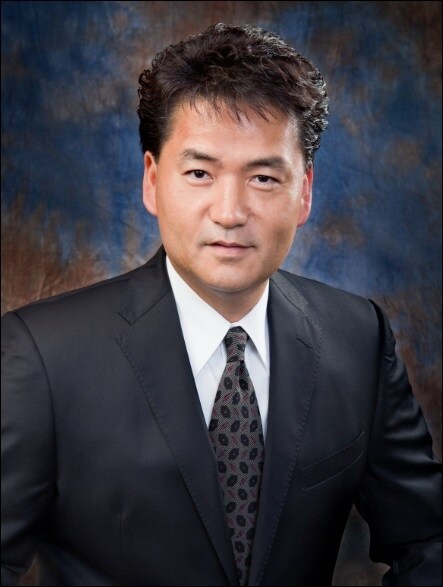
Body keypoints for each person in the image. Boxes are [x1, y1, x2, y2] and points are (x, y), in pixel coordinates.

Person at [1, 22, 441, 587]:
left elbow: (429, 540)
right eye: (200, 173)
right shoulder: (42, 356)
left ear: (304, 191)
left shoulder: (358, 339)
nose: (230, 212)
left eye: (264, 178)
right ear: (152, 181)